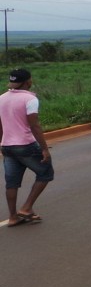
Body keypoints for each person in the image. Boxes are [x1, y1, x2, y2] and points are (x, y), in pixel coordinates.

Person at [0, 69, 53, 226]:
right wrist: (44, 149)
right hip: (25, 145)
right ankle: (26, 207)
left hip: (7, 146)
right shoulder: (30, 99)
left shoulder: (1, 98)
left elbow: (0, 124)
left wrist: (1, 143)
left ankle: (13, 217)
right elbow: (34, 125)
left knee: (12, 182)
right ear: (27, 82)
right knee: (45, 173)